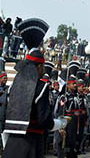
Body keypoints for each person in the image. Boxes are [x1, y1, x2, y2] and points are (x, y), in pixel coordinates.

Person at [2, 18, 68, 158]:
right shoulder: (41, 87)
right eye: (42, 66)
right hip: (31, 145)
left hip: (12, 144)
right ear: (38, 67)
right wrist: (60, 123)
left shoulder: (14, 85)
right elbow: (44, 120)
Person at [57, 76, 79, 158]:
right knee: (64, 142)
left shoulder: (75, 96)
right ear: (68, 85)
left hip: (74, 122)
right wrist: (61, 127)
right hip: (66, 122)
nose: (75, 85)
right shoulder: (64, 97)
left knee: (72, 143)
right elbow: (61, 111)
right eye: (73, 84)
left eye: (75, 83)